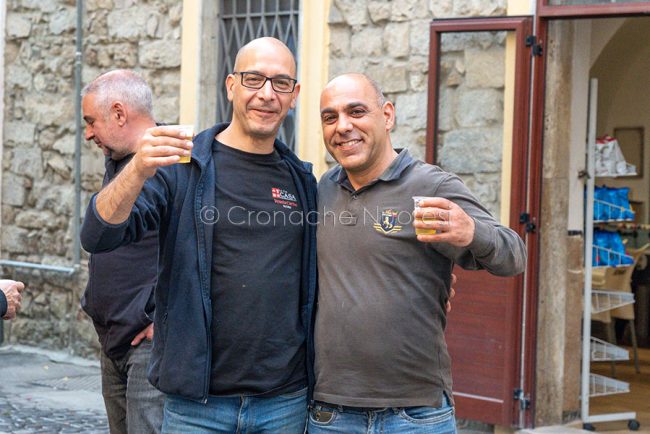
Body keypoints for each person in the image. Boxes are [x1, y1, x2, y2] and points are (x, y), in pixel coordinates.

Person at [80, 38, 317, 433]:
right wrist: (137, 169)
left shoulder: (303, 180)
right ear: (231, 86)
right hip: (197, 408)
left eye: (280, 83)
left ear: (294, 95)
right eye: (253, 79)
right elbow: (98, 234)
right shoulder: (183, 167)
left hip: (283, 404)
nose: (266, 94)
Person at [308, 73, 527, 433]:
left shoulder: (431, 185)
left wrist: (471, 231)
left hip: (415, 413)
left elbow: (514, 255)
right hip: (331, 412)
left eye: (357, 112)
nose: (343, 126)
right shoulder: (322, 191)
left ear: (388, 115)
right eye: (330, 117)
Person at [80, 70, 165, 434]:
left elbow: (207, 250)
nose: (88, 133)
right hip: (113, 342)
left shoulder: (170, 162)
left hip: (147, 348)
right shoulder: (118, 157)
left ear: (118, 114)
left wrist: (166, 320)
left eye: (90, 122)